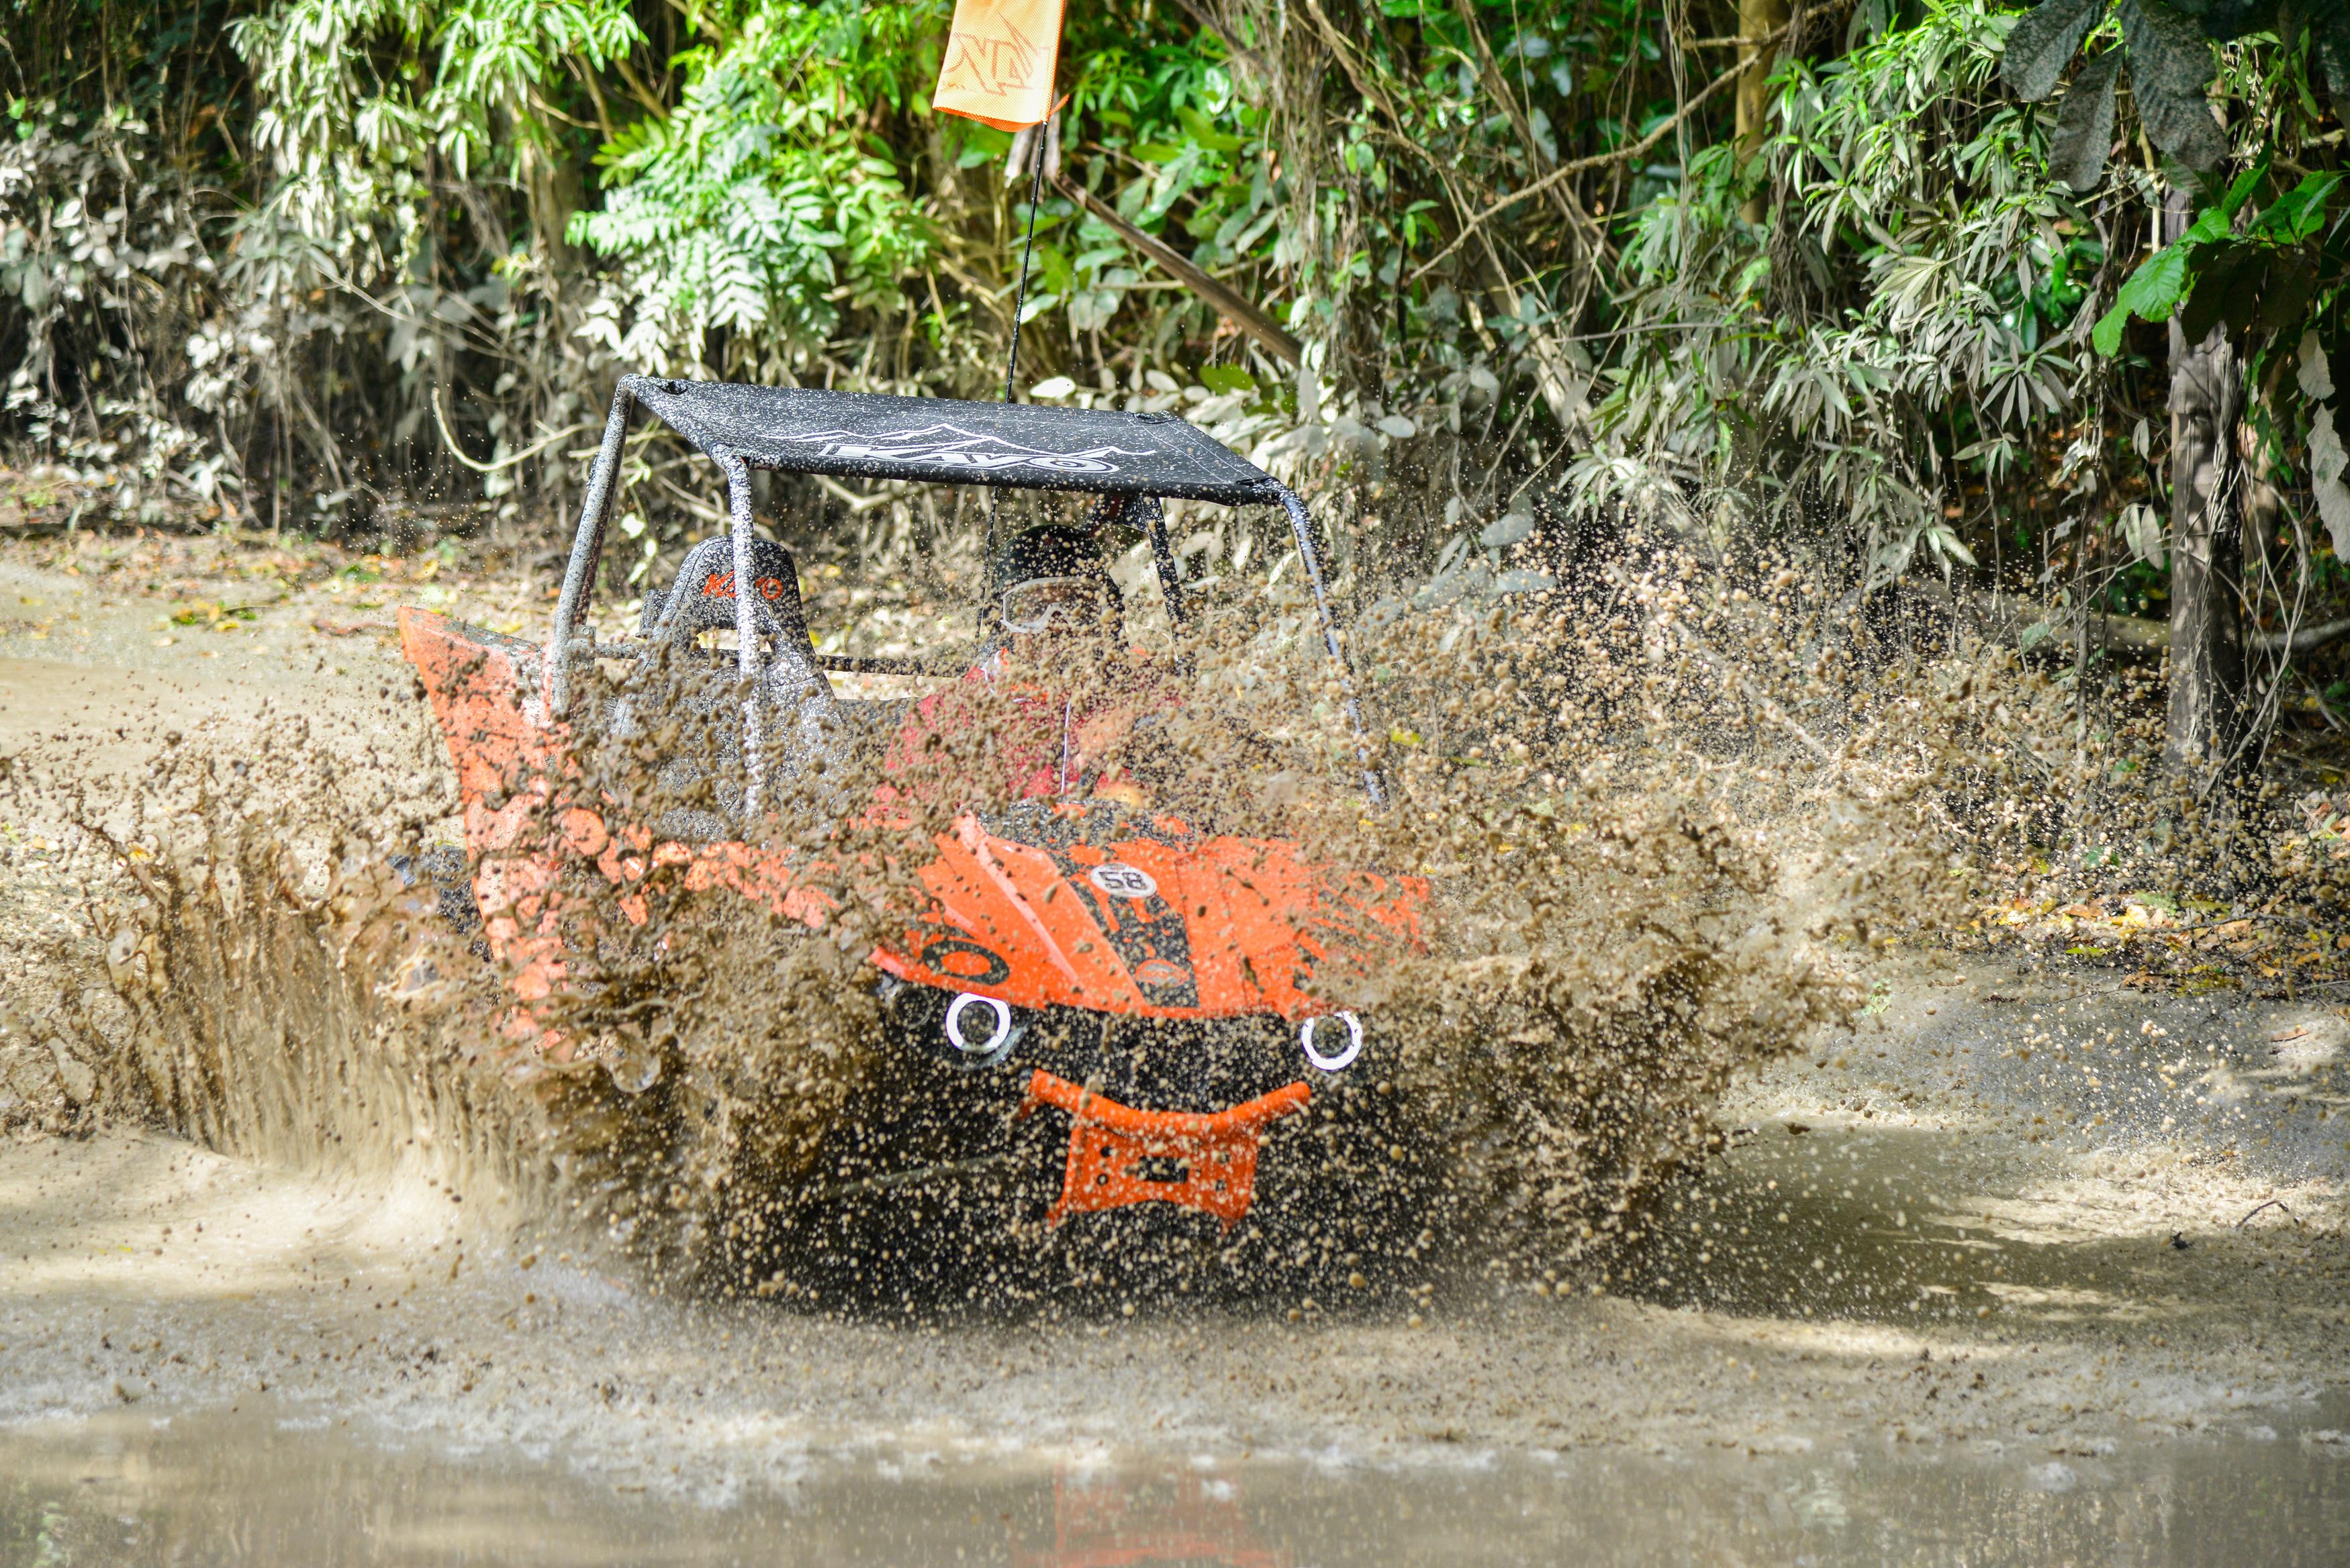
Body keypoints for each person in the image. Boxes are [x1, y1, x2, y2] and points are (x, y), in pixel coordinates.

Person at [883, 520, 1176, 807]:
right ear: (1003, 622)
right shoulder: (947, 716)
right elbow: (892, 827)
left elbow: (1204, 752)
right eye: (1033, 609)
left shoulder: (1143, 688)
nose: (1057, 625)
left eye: (1078, 606)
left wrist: (1138, 721)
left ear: (1106, 615)